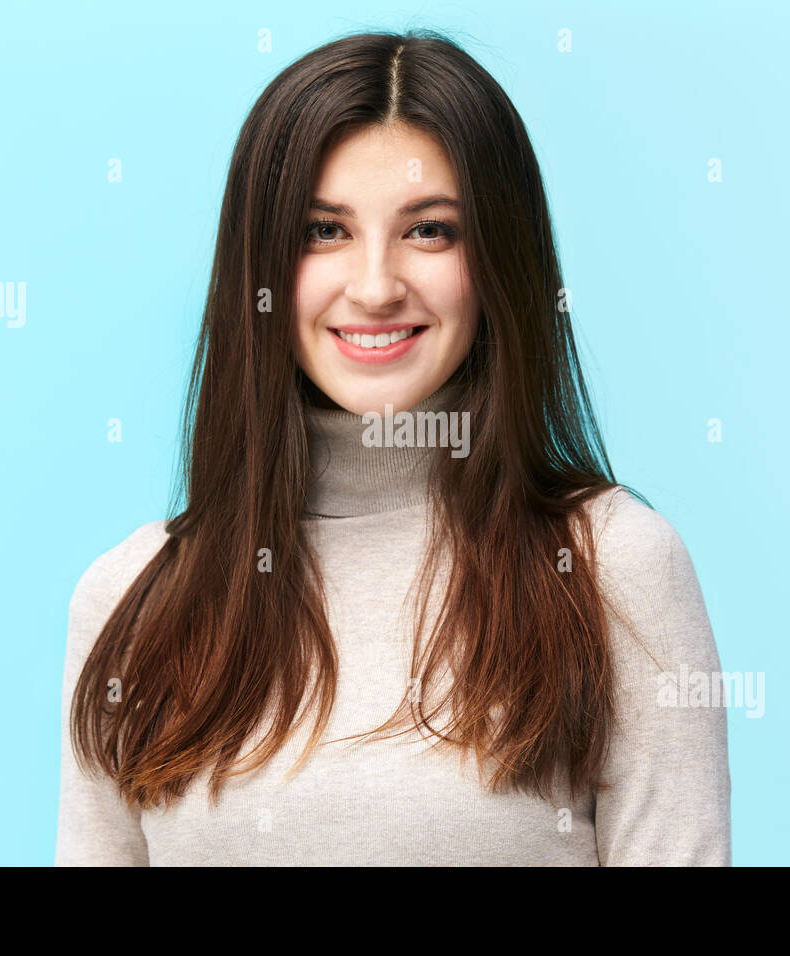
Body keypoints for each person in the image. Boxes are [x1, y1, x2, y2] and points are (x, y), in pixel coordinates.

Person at [56, 29, 730, 866]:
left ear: (499, 262)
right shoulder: (129, 599)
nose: (375, 288)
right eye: (324, 231)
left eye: (431, 231)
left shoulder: (614, 570)